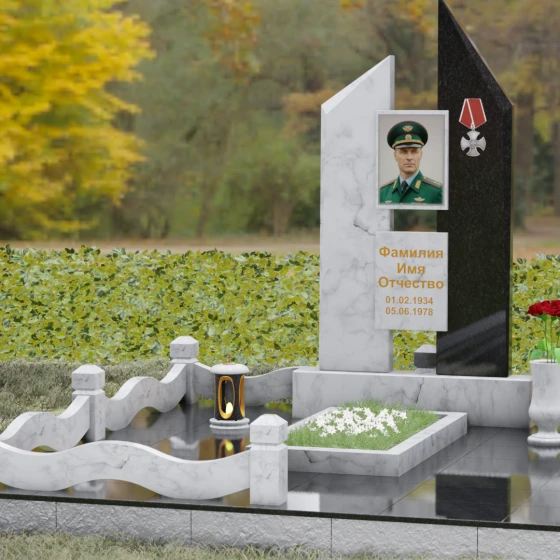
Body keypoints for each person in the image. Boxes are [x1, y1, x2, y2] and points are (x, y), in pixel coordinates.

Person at [379, 121, 443, 205]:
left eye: (414, 152)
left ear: (421, 155)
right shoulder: (382, 193)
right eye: (403, 152)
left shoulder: (436, 192)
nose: (409, 157)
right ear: (395, 156)